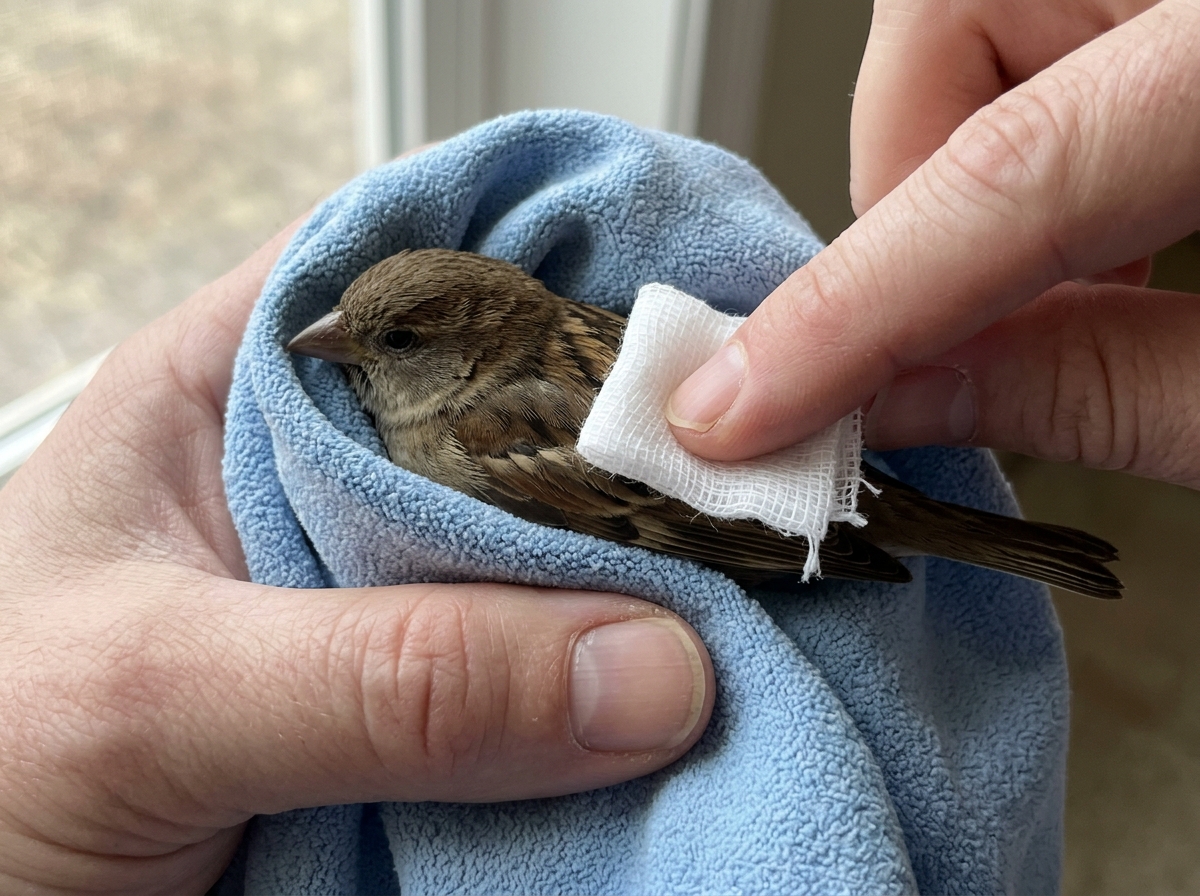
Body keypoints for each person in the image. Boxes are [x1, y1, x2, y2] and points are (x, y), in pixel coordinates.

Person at [0, 0, 1194, 889]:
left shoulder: (478, 426)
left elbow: (667, 517)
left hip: (749, 517)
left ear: (469, 337)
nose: (342, 349)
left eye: (393, 338)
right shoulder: (518, 345)